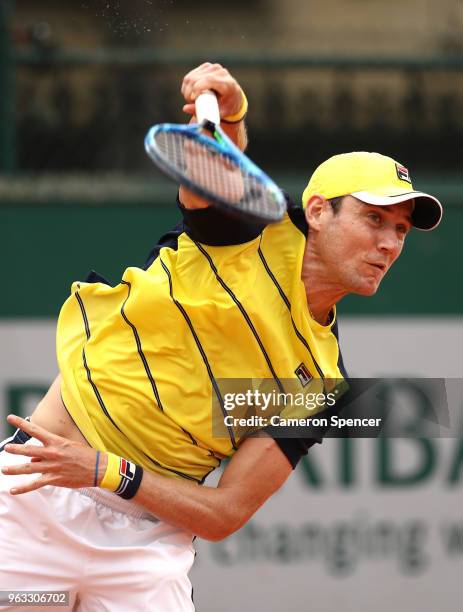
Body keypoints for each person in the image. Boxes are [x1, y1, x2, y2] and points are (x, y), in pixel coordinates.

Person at [0, 63, 443, 611]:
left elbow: (224, 513)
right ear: (320, 212)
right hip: (34, 499)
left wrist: (106, 471)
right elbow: (214, 174)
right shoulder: (249, 231)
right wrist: (231, 116)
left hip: (144, 549)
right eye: (375, 219)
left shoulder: (320, 383)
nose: (389, 244)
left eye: (400, 230)